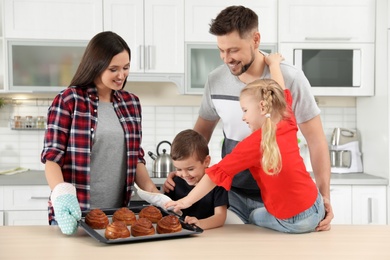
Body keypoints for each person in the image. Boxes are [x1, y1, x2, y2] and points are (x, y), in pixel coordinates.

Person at [164, 5, 333, 231]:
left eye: (233, 50)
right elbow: (199, 136)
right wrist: (184, 171)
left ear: (255, 39)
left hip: (282, 201)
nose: (226, 58)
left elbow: (316, 141)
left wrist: (325, 197)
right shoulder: (215, 79)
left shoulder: (291, 77)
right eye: (221, 50)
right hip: (231, 196)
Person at [41, 31, 160, 235]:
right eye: (113, 69)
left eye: (126, 67)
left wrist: (155, 194)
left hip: (116, 217)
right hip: (75, 214)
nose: (122, 75)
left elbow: (135, 156)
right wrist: (61, 195)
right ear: (96, 65)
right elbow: (52, 157)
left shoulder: (131, 103)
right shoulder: (69, 100)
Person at [166, 129, 228, 230]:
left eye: (190, 169)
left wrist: (200, 224)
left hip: (209, 236)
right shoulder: (175, 182)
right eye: (179, 169)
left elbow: (220, 217)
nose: (185, 175)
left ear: (206, 161)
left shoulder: (217, 184)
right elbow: (165, 210)